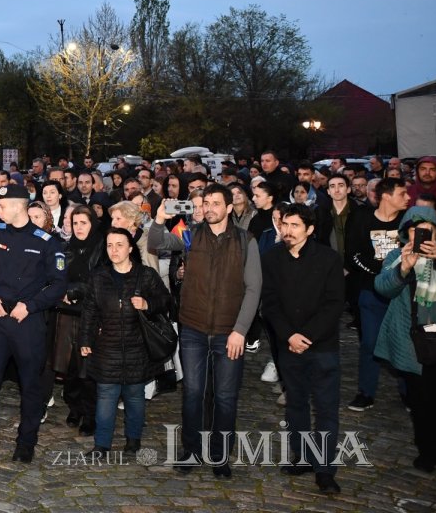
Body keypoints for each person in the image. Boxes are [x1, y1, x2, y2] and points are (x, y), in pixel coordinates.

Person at [0, 184, 67, 465]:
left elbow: (58, 284)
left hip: (27, 321)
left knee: (30, 385)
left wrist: (30, 306)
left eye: (2, 205)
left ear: (19, 206)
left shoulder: (46, 241)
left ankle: (25, 444)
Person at [175, 183, 262, 478]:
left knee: (225, 396)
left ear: (229, 208)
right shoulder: (189, 235)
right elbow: (157, 242)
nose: (209, 208)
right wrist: (160, 218)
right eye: (205, 203)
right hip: (193, 328)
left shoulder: (245, 240)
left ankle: (220, 455)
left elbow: (254, 288)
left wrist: (240, 330)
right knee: (193, 393)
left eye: (215, 203)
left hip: (229, 332)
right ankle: (191, 450)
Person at [261, 204, 344, 494]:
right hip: (288, 346)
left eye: (295, 225)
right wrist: (289, 336)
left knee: (326, 408)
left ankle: (325, 470)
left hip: (322, 346)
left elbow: (334, 303)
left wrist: (306, 335)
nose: (288, 230)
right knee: (296, 404)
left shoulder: (328, 259)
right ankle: (303, 456)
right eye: (285, 224)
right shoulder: (271, 258)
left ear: (309, 229)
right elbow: (270, 303)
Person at [79, 227, 171, 457]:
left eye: (119, 245)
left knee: (134, 396)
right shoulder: (98, 277)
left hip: (137, 347)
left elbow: (166, 300)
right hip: (106, 347)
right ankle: (102, 444)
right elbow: (89, 311)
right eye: (110, 245)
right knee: (106, 396)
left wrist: (147, 304)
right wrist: (85, 339)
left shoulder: (146, 275)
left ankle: (133, 441)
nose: (114, 250)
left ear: (130, 248)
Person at [374, 206, 436, 473]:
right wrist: (403, 267)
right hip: (413, 343)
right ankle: (427, 452)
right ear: (405, 233)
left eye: (427, 231)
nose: (420, 236)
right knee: (421, 402)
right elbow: (382, 287)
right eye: (414, 231)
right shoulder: (396, 256)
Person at [346, 176, 411, 412]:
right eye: (402, 193)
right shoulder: (361, 218)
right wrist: (383, 272)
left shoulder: (408, 222)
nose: (408, 197)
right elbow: (353, 254)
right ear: (386, 196)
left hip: (402, 294)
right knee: (370, 343)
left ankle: (409, 393)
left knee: (404, 343)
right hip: (370, 292)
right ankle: (366, 393)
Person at [53, 205, 104, 436]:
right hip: (68, 313)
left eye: (84, 223)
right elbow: (57, 274)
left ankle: (90, 413)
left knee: (89, 367)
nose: (79, 227)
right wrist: (63, 291)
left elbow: (100, 280)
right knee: (70, 366)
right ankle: (74, 407)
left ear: (92, 223)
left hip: (92, 315)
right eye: (75, 223)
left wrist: (75, 291)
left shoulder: (102, 247)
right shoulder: (66, 248)